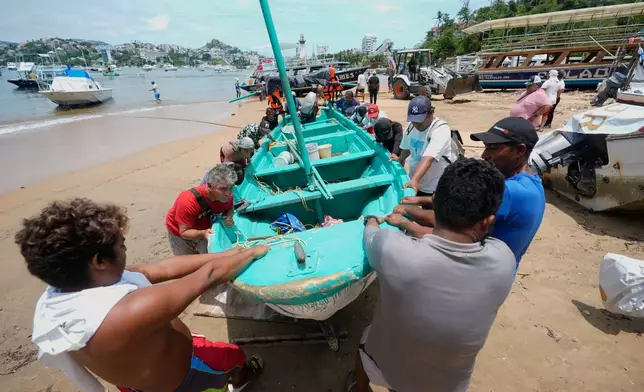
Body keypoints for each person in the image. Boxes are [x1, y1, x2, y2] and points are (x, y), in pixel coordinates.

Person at [18, 198, 267, 392]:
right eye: (121, 245)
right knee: (233, 357)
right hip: (186, 375)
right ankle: (243, 379)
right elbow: (209, 276)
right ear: (99, 261)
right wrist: (251, 253)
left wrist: (226, 254)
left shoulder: (68, 290)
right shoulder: (128, 312)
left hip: (138, 380)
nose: (125, 249)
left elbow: (160, 269)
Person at [350, 158, 515, 392]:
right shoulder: (504, 259)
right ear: (488, 222)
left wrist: (372, 220)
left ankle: (360, 387)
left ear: (435, 202)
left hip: (390, 369)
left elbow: (371, 236)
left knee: (363, 345)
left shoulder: (392, 249)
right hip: (449, 383)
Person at [390, 117, 546, 270]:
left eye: (493, 148)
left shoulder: (509, 192)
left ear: (519, 150)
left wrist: (406, 217)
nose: (485, 155)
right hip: (500, 271)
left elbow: (451, 234)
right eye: (486, 147)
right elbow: (464, 205)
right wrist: (421, 200)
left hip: (479, 272)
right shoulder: (531, 183)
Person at [166, 164, 236, 256]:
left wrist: (229, 216)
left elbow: (230, 207)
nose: (227, 193)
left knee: (208, 258)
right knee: (188, 263)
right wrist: (203, 233)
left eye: (230, 187)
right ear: (210, 186)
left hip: (204, 228)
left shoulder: (227, 197)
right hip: (180, 232)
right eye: (222, 189)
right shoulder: (188, 201)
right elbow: (183, 232)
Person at [397, 96, 458, 196]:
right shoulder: (411, 127)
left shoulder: (440, 129)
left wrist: (414, 180)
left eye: (419, 120)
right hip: (415, 182)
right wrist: (400, 159)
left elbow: (428, 158)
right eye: (413, 120)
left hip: (434, 187)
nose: (416, 124)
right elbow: (407, 147)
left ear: (431, 114)